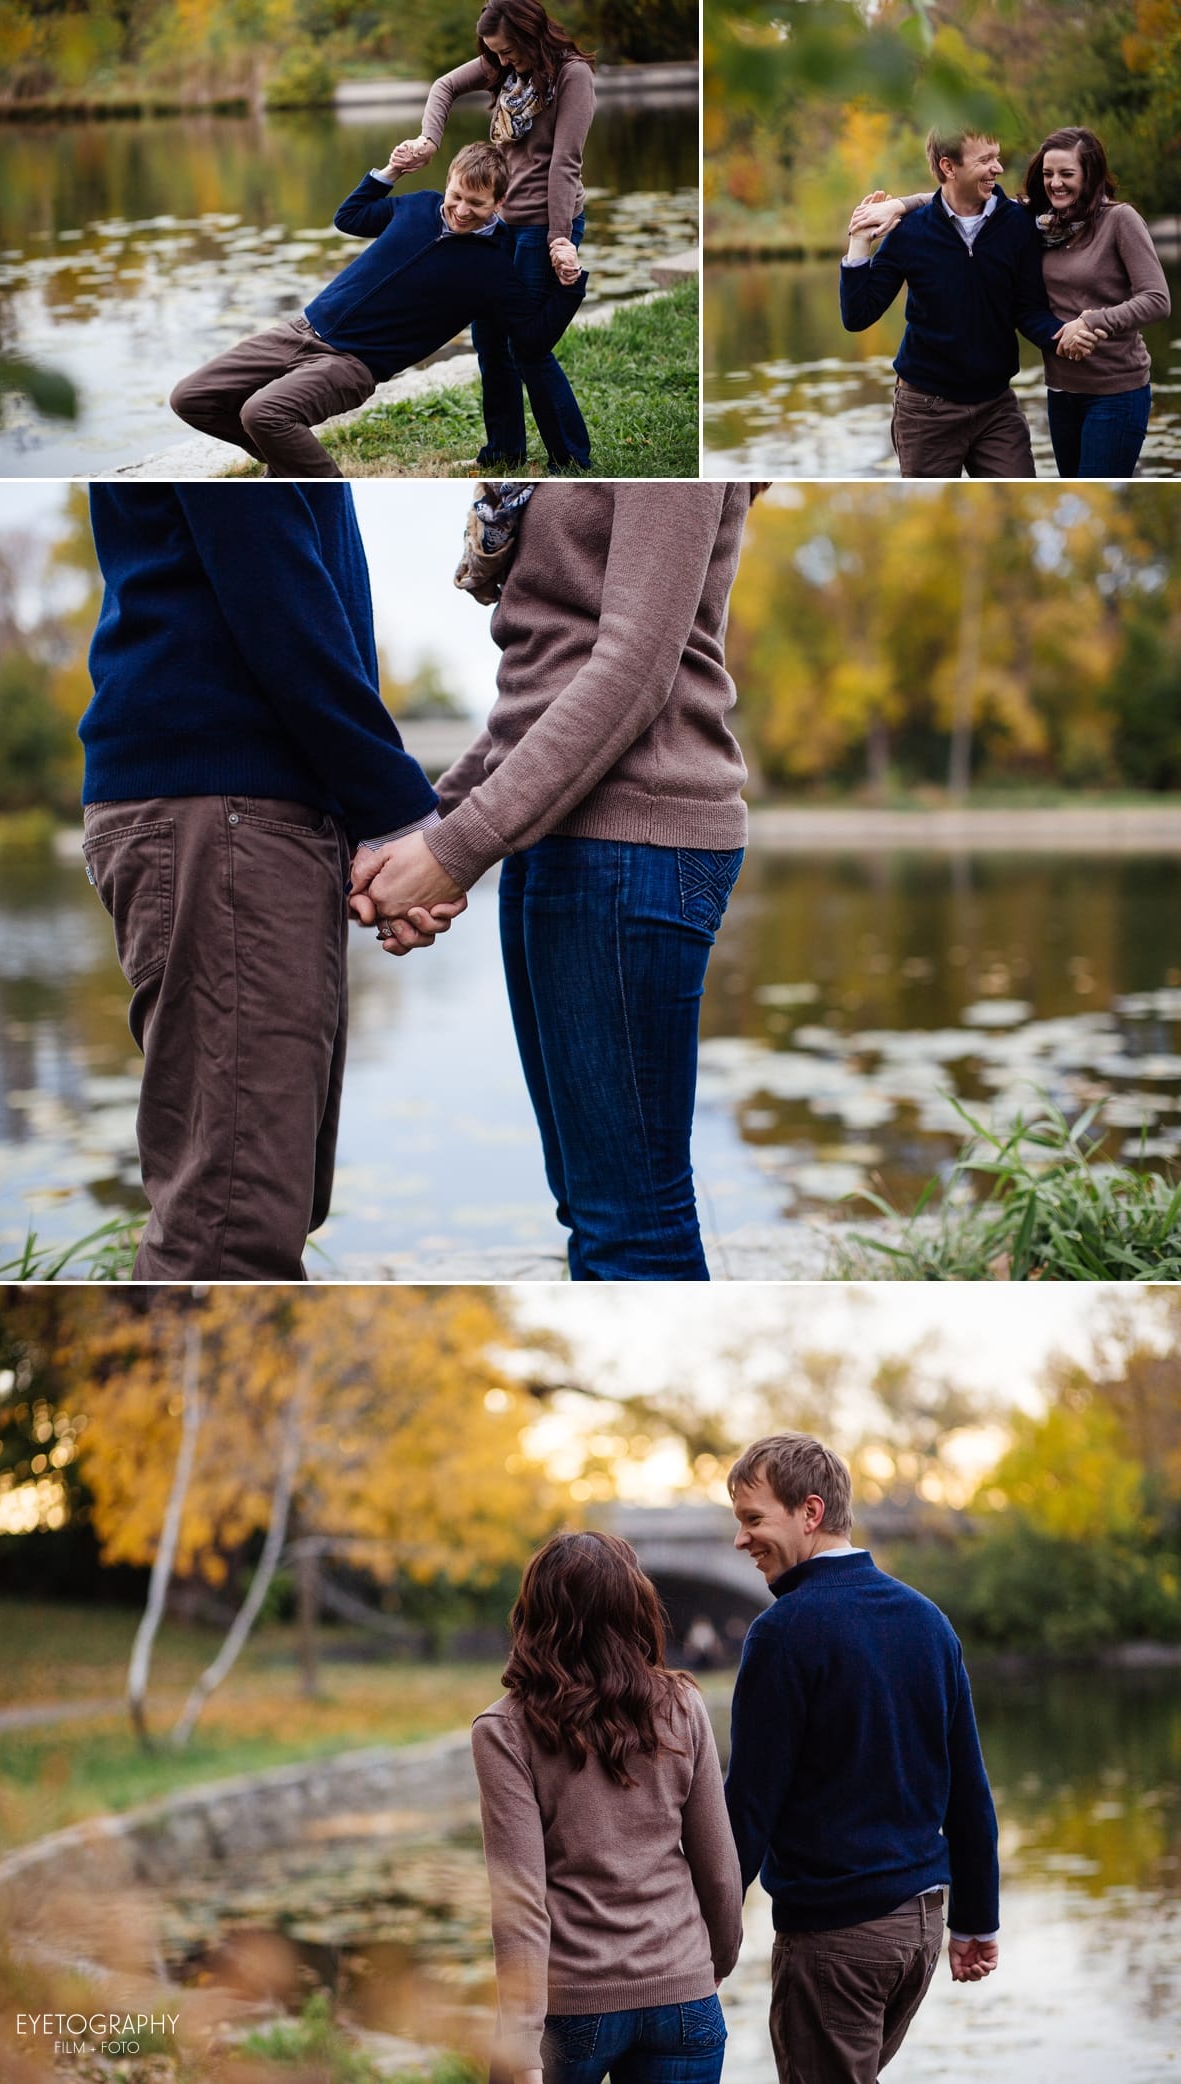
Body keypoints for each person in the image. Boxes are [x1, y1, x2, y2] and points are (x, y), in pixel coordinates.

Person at [349, 479, 761, 1282]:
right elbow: (541, 689)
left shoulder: (681, 466)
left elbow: (635, 666)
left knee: (629, 1221)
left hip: (634, 833)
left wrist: (454, 850)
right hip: (557, 825)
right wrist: (426, 830)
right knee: (589, 1205)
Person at [78, 482, 461, 1281]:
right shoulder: (241, 409)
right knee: (230, 1225)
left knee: (264, 1201)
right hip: (223, 805)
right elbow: (275, 587)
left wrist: (365, 821)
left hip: (249, 808)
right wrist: (399, 812)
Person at [722, 1433, 1000, 2084]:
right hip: (919, 1931)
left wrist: (698, 1935)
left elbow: (748, 1810)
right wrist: (976, 1918)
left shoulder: (783, 1633)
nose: (742, 1540)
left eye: (753, 1519)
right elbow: (969, 1790)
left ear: (809, 1513)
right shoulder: (927, 1620)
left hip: (836, 1939)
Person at [471, 1531, 742, 2084]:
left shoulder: (505, 1729)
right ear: (635, 1608)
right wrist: (713, 1963)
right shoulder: (683, 1705)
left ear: (535, 1614)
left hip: (570, 2011)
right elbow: (719, 1866)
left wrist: (521, 2048)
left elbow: (519, 1900)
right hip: (685, 1998)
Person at [169, 141, 586, 479]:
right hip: (300, 330)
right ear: (447, 182)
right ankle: (288, 463)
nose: (461, 210)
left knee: (263, 412)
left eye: (476, 204)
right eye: (456, 195)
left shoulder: (495, 267)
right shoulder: (418, 206)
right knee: (191, 398)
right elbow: (349, 217)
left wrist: (569, 287)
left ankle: (321, 487)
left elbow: (531, 341)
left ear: (500, 201)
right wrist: (391, 172)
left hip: (353, 364)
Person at [850, 125, 1170, 479]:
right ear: (949, 167)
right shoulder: (916, 231)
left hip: (1006, 405)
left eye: (997, 157)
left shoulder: (1021, 223)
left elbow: (1029, 309)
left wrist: (1072, 332)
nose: (998, 168)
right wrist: (866, 237)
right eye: (986, 159)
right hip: (932, 407)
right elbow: (858, 315)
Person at [392, 0, 596, 472]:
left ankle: (570, 457)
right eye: (494, 54)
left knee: (526, 345)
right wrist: (429, 140)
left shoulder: (572, 77)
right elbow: (443, 87)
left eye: (508, 52)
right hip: (499, 226)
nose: (502, 63)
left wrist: (560, 239)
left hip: (546, 225)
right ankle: (503, 450)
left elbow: (565, 164)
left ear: (529, 34)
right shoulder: (505, 68)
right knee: (488, 340)